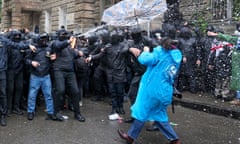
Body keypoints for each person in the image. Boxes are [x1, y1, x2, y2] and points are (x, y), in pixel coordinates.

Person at [117, 37, 182, 144]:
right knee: (159, 115)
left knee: (142, 112)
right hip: (165, 91)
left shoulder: (160, 53)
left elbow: (145, 60)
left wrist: (145, 51)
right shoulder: (176, 56)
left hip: (153, 90)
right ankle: (175, 140)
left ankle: (130, 137)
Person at [0, 34, 36, 126]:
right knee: (8, 90)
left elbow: (16, 45)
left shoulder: (3, 40)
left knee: (3, 93)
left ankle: (4, 114)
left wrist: (28, 45)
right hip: (9, 69)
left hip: (3, 70)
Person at [51, 29, 85, 122]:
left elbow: (72, 54)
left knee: (75, 91)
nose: (65, 36)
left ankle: (77, 113)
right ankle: (56, 112)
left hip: (70, 71)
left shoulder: (69, 46)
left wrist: (78, 54)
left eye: (66, 34)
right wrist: (68, 41)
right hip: (59, 70)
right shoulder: (56, 43)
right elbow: (59, 46)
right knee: (60, 90)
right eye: (63, 34)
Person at [25, 33, 57, 121]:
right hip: (35, 75)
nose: (44, 41)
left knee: (48, 95)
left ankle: (50, 112)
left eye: (45, 39)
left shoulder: (49, 48)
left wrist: (53, 58)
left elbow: (52, 60)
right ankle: (30, 112)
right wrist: (32, 62)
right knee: (32, 95)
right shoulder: (34, 49)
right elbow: (26, 60)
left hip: (46, 75)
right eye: (42, 39)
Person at [207, 31, 240, 105]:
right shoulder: (236, 41)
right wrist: (217, 35)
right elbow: (230, 38)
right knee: (235, 82)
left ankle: (237, 98)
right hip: (234, 67)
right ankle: (238, 98)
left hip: (234, 67)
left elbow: (230, 38)